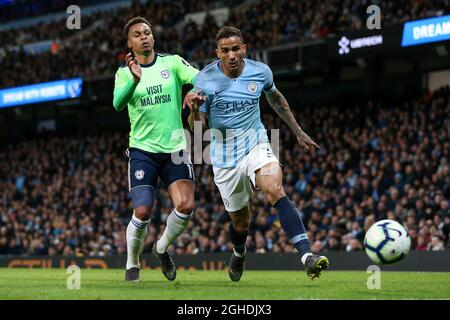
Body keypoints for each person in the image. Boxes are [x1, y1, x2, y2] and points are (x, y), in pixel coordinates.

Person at [184, 26, 329, 281]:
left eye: (236, 48)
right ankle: (239, 254)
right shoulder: (204, 80)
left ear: (244, 48)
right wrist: (195, 110)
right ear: (218, 53)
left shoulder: (260, 71)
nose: (231, 55)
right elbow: (198, 130)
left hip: (256, 144)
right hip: (224, 158)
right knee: (241, 223)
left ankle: (307, 256)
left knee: (275, 188)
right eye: (225, 50)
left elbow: (276, 99)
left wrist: (298, 130)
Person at [113, 17, 199, 282]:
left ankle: (161, 248)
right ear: (130, 43)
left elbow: (199, 77)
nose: (144, 37)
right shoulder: (124, 73)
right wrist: (135, 80)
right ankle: (131, 264)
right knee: (143, 211)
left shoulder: (171, 62)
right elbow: (117, 104)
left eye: (147, 32)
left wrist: (194, 91)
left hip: (174, 147)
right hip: (142, 150)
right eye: (137, 34)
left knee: (185, 206)